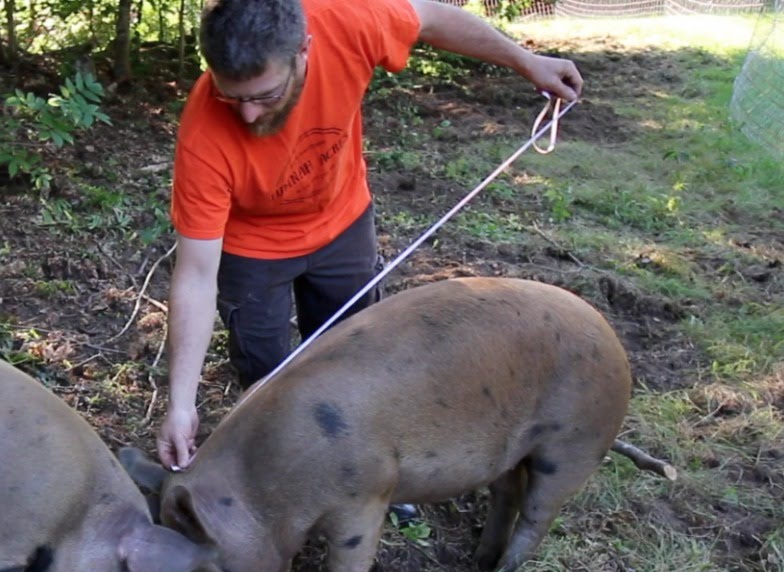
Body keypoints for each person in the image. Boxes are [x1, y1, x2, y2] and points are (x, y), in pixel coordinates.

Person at [157, 0, 584, 490]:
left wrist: (527, 61)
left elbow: (431, 16)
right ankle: (281, 481)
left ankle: (368, 477)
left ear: (304, 50)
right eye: (233, 98)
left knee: (358, 360)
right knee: (266, 379)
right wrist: (181, 403)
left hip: (342, 221)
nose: (250, 114)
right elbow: (194, 274)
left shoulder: (347, 20)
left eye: (266, 95)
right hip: (253, 249)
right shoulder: (204, 135)